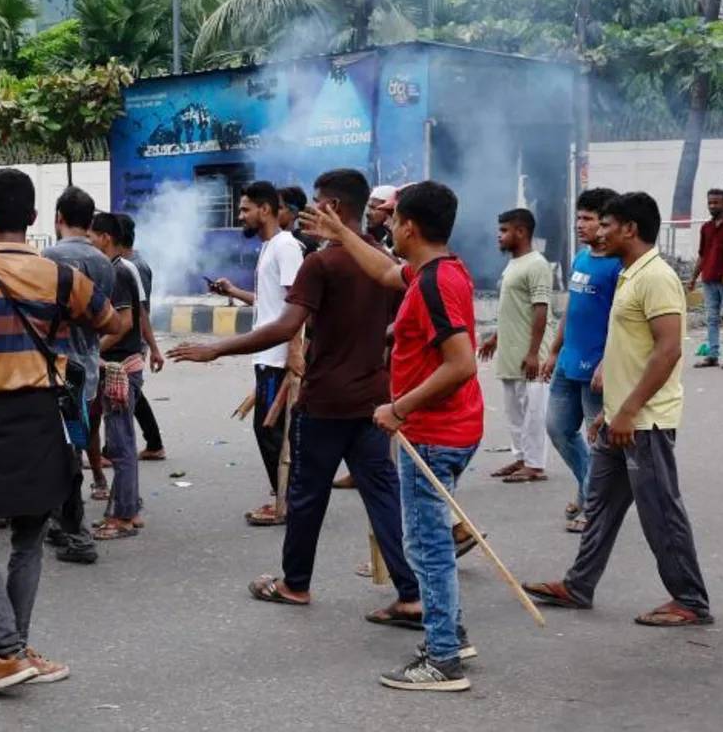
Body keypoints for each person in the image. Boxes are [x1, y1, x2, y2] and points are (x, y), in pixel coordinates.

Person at [171, 168, 423, 628]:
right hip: (371, 399)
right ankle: (411, 594)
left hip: (326, 401)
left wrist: (215, 348)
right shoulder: (383, 261)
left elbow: (287, 326)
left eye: (317, 201)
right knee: (382, 494)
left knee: (306, 495)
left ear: (336, 210)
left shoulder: (322, 263)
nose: (308, 209)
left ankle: (296, 583)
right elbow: (397, 326)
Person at [0, 168, 125, 696]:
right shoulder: (60, 278)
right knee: (27, 538)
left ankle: (6, 652)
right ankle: (15, 649)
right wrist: (60, 333)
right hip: (41, 417)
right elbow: (113, 324)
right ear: (35, 219)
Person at [302, 180, 484, 692]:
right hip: (445, 427)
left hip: (433, 430)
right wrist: (341, 232)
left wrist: (397, 408)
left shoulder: (434, 284)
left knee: (427, 546)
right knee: (427, 542)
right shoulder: (438, 270)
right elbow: (383, 269)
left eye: (394, 218)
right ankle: (451, 632)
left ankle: (443, 658)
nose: (387, 225)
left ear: (410, 227)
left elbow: (461, 363)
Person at [523, 192, 713, 628]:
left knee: (661, 510)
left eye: (607, 225)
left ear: (630, 228)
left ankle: (690, 600)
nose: (598, 232)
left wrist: (627, 411)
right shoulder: (629, 273)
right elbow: (630, 351)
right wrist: (611, 412)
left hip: (644, 421)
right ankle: (579, 584)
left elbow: (666, 352)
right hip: (621, 417)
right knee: (601, 505)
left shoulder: (656, 277)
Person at [208, 181, 305, 526]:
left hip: (278, 357)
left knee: (271, 432)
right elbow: (271, 303)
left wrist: (295, 353)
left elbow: (299, 303)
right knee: (272, 431)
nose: (240, 216)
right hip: (268, 356)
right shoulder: (269, 247)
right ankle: (284, 497)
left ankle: (287, 502)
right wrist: (233, 291)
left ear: (265, 209)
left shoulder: (286, 247)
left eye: (246, 209)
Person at [540, 188, 622, 533]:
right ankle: (588, 489)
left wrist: (608, 362)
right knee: (558, 429)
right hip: (568, 362)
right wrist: (555, 349)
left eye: (588, 219)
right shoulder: (580, 259)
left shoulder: (620, 267)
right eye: (579, 217)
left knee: (598, 440)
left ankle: (595, 505)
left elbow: (623, 322)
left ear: (606, 224)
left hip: (597, 369)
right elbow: (572, 308)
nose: (580, 224)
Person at [42, 187, 115, 564]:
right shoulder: (103, 261)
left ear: (58, 217)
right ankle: (62, 523)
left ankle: (74, 530)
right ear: (90, 221)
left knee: (62, 453)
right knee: (70, 446)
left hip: (54, 372)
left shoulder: (49, 258)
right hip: (85, 369)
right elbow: (106, 318)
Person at [481, 209, 552, 483]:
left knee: (533, 412)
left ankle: (534, 465)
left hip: (530, 355)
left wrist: (534, 352)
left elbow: (540, 310)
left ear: (520, 232)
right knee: (514, 412)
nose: (499, 236)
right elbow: (512, 309)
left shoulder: (537, 264)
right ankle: (521, 458)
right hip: (511, 354)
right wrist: (495, 339)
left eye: (504, 231)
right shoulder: (513, 264)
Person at [88, 213, 146, 540]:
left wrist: (93, 349)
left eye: (93, 237)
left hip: (119, 367)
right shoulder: (113, 270)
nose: (90, 243)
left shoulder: (119, 272)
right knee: (121, 440)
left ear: (105, 238)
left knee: (120, 444)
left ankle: (123, 516)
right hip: (121, 364)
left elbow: (123, 323)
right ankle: (130, 508)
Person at [116, 215, 167, 461]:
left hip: (134, 339)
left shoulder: (134, 267)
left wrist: (151, 347)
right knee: (131, 393)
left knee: (129, 393)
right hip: (133, 337)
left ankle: (153, 443)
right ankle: (153, 442)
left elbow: (141, 311)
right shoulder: (126, 264)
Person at [688, 188, 723, 367]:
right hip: (709, 279)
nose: (712, 206)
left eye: (716, 202)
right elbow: (702, 255)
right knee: (712, 318)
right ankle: (712, 355)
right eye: (710, 202)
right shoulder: (706, 228)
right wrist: (693, 278)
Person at [280, 185, 321, 256]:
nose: (272, 211)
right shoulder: (267, 238)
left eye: (279, 207)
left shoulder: (305, 244)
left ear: (293, 212)